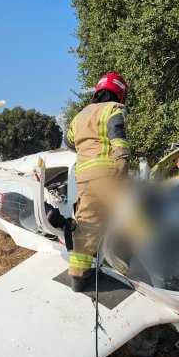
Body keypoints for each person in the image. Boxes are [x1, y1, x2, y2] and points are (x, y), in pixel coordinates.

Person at [64, 72, 130, 292]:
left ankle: (79, 277)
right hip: (106, 172)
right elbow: (117, 133)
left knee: (87, 226)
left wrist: (86, 150)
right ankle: (164, 258)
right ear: (120, 92)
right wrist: (121, 158)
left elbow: (68, 141)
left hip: (83, 177)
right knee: (132, 213)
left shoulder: (78, 116)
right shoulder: (113, 109)